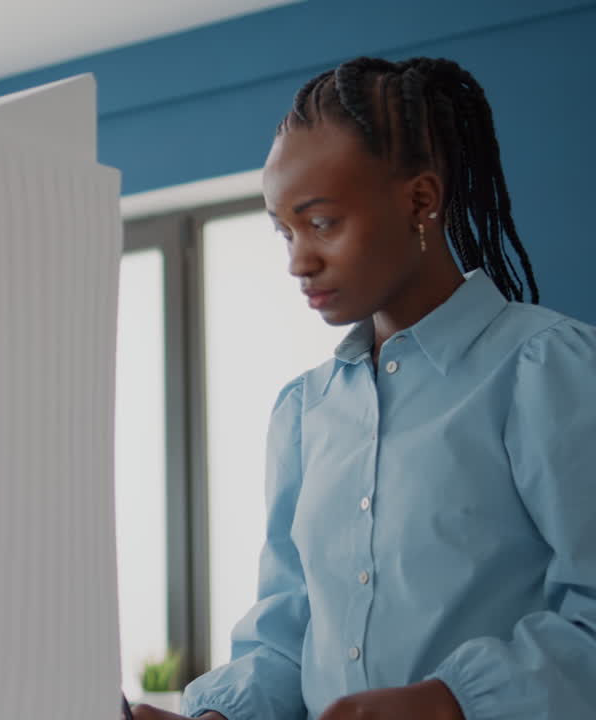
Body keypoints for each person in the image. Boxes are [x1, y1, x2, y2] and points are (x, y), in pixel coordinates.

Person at [133, 57, 596, 719]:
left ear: (420, 200)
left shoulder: (546, 369)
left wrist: (449, 703)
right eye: (284, 231)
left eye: (322, 223)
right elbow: (288, 635)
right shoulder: (304, 411)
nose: (298, 261)